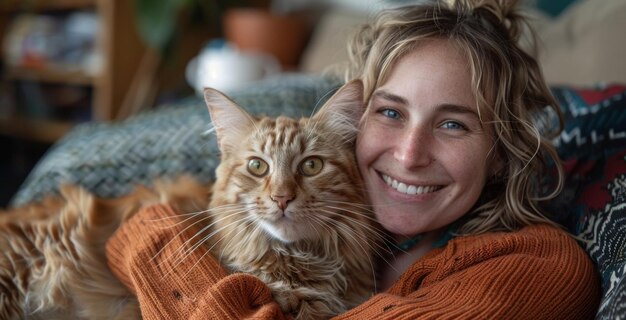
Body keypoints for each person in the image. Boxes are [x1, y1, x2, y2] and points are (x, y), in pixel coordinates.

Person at [106, 0, 600, 318]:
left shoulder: (536, 265)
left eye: (453, 124)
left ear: (501, 153)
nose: (408, 155)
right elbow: (138, 227)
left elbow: (149, 239)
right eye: (389, 112)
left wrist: (165, 266)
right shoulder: (321, 222)